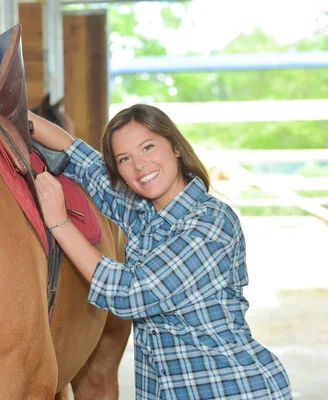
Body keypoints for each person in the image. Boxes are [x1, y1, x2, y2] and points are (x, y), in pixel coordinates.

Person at [31, 104, 292, 399]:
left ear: (176, 147)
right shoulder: (143, 215)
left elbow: (130, 293)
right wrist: (13, 113)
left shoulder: (210, 222)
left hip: (229, 388)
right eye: (124, 159)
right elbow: (79, 155)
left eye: (148, 147)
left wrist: (59, 222)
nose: (139, 165)